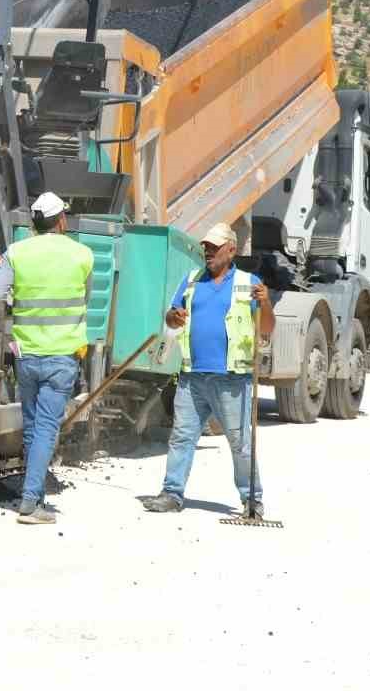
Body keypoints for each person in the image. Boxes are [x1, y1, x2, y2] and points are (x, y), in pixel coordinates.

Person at [142, 221, 275, 519]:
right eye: (205, 247)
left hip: (231, 379)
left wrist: (265, 304)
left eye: (214, 247)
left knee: (241, 442)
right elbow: (171, 317)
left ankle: (252, 500)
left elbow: (266, 328)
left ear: (231, 249)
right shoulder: (191, 280)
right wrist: (173, 317)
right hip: (192, 376)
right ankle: (171, 493)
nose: (208, 252)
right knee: (181, 437)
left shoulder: (248, 283)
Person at [0, 191, 93, 525]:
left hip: (26, 355)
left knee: (33, 428)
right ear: (61, 220)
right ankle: (31, 503)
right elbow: (85, 297)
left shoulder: (17, 252)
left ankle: (33, 494)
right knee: (46, 427)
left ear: (34, 223)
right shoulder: (82, 255)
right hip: (62, 356)